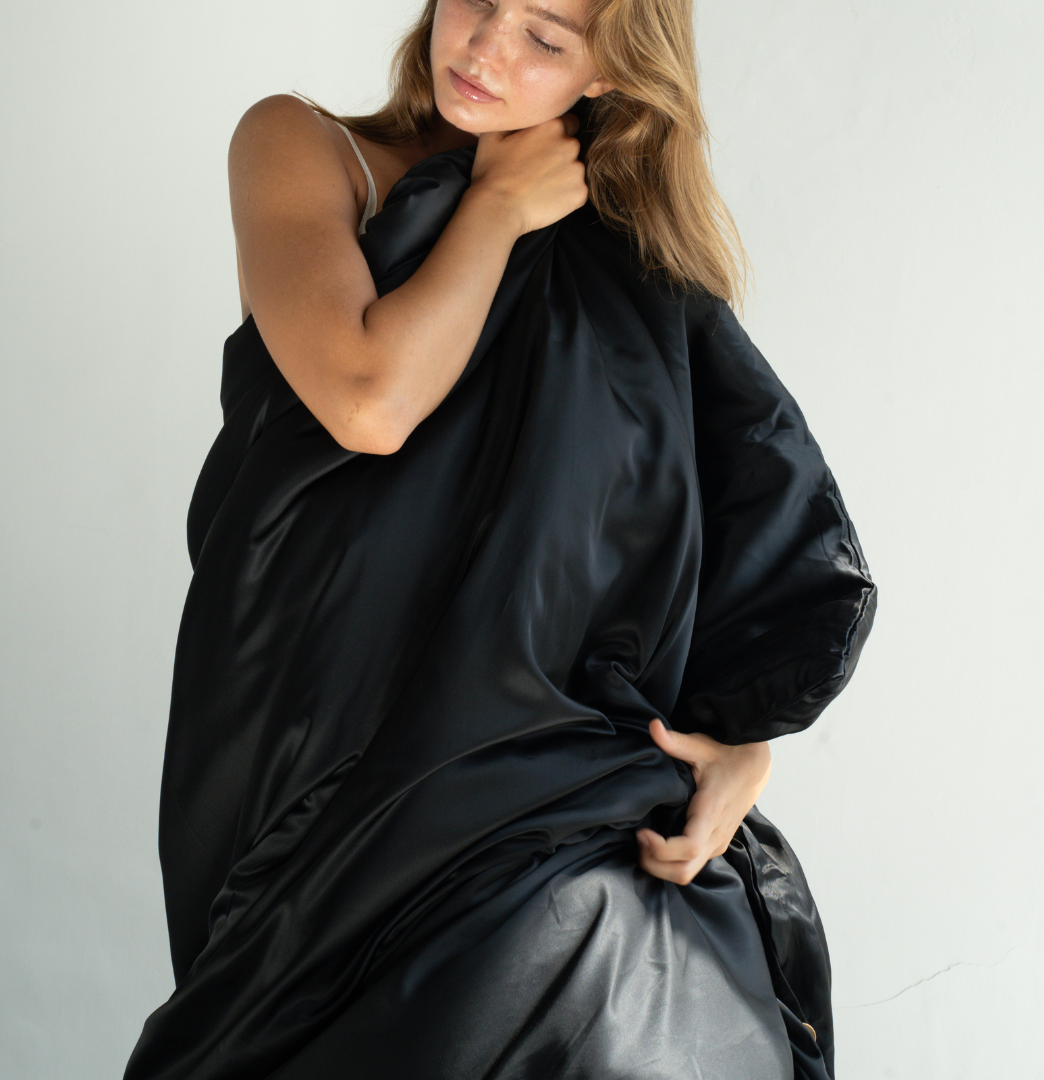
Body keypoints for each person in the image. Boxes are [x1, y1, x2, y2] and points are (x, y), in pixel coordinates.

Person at [124, 2, 876, 1078]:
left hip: (532, 785)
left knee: (648, 985)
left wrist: (737, 743)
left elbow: (694, 545)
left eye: (545, 38)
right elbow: (367, 399)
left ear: (613, 72)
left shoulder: (635, 272)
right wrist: (491, 210)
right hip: (307, 741)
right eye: (478, 2)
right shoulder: (306, 145)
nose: (486, 50)